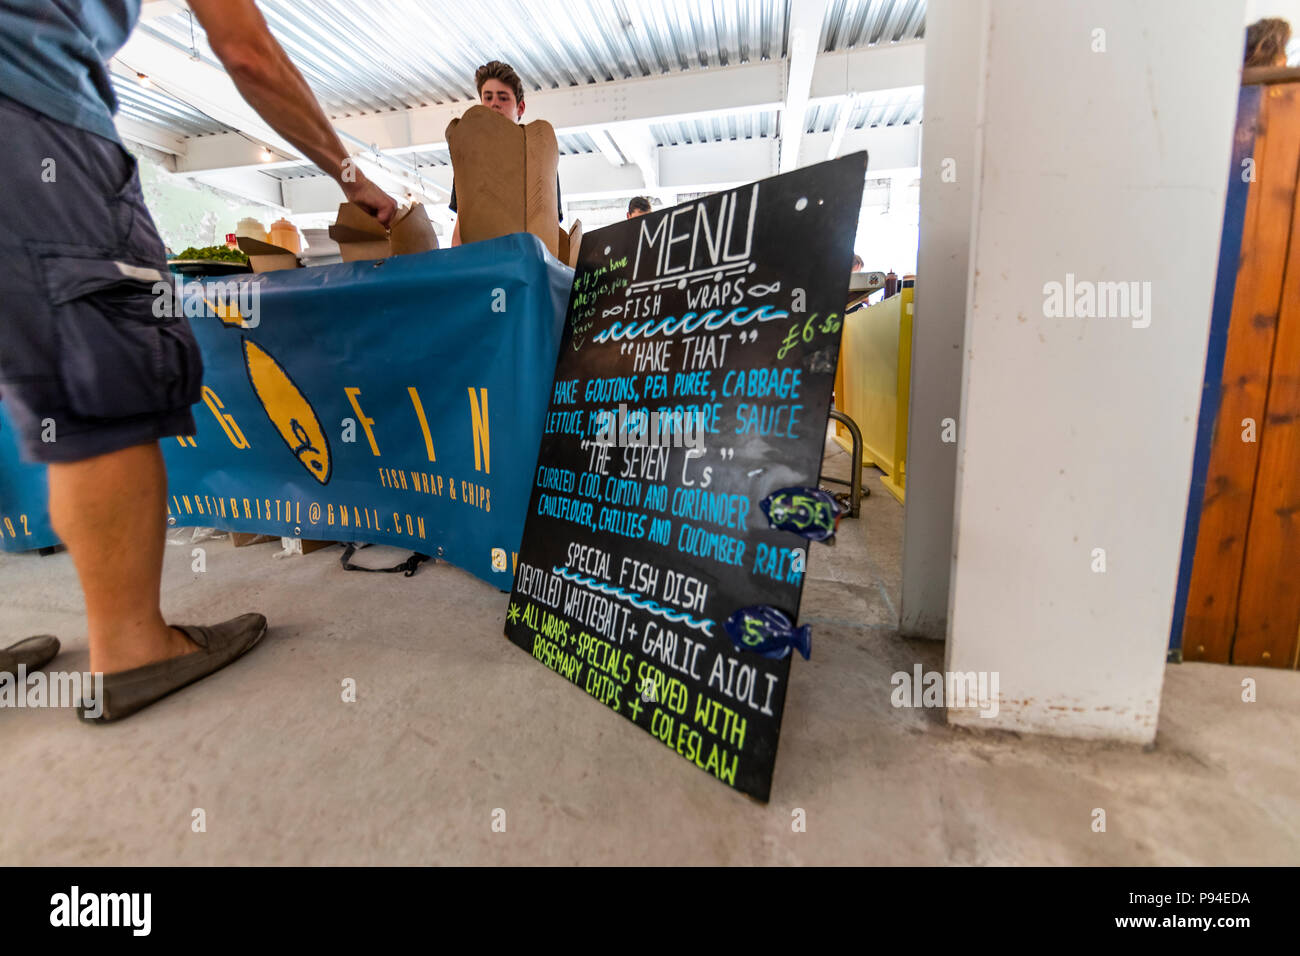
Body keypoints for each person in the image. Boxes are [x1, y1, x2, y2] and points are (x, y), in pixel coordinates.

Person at [0, 0, 396, 722]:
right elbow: (245, 48)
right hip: (27, 119)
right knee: (100, 379)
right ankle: (133, 648)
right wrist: (349, 174)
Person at [449, 60, 563, 246]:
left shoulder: (540, 156)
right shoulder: (469, 161)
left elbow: (550, 227)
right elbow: (461, 227)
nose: (494, 104)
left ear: (520, 108)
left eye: (503, 98)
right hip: (480, 263)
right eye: (488, 98)